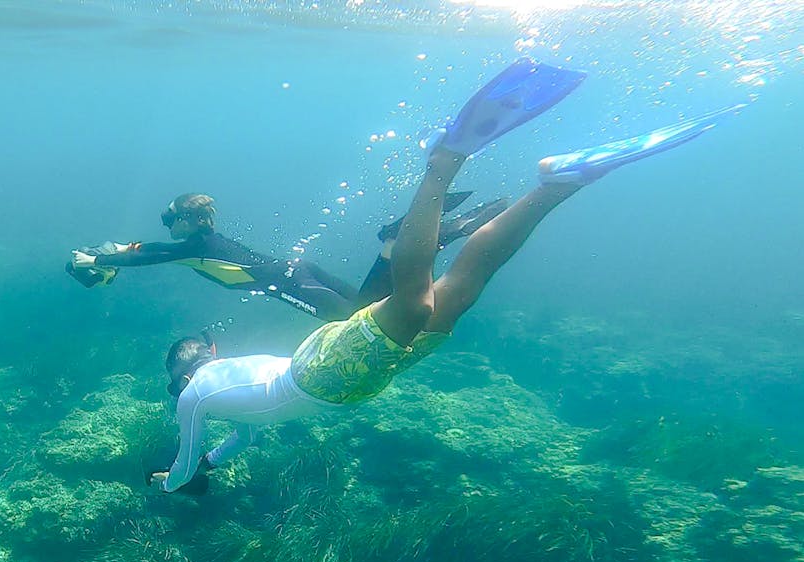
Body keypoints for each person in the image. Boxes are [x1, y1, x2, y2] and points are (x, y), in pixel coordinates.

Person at [148, 57, 744, 493]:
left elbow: (184, 460)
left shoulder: (194, 399)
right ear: (207, 353)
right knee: (461, 289)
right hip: (338, 377)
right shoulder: (216, 387)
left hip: (324, 375)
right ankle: (558, 184)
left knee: (417, 301)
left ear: (184, 375)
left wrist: (168, 484)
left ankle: (443, 162)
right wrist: (216, 462)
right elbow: (237, 440)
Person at [68, 191, 508, 322]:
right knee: (369, 306)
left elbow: (146, 258)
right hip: (297, 270)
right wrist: (108, 255)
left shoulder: (193, 246)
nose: (166, 227)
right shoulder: (197, 242)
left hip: (287, 282)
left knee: (357, 318)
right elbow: (145, 250)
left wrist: (99, 263)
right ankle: (398, 243)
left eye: (170, 220)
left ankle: (400, 242)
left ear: (187, 220)